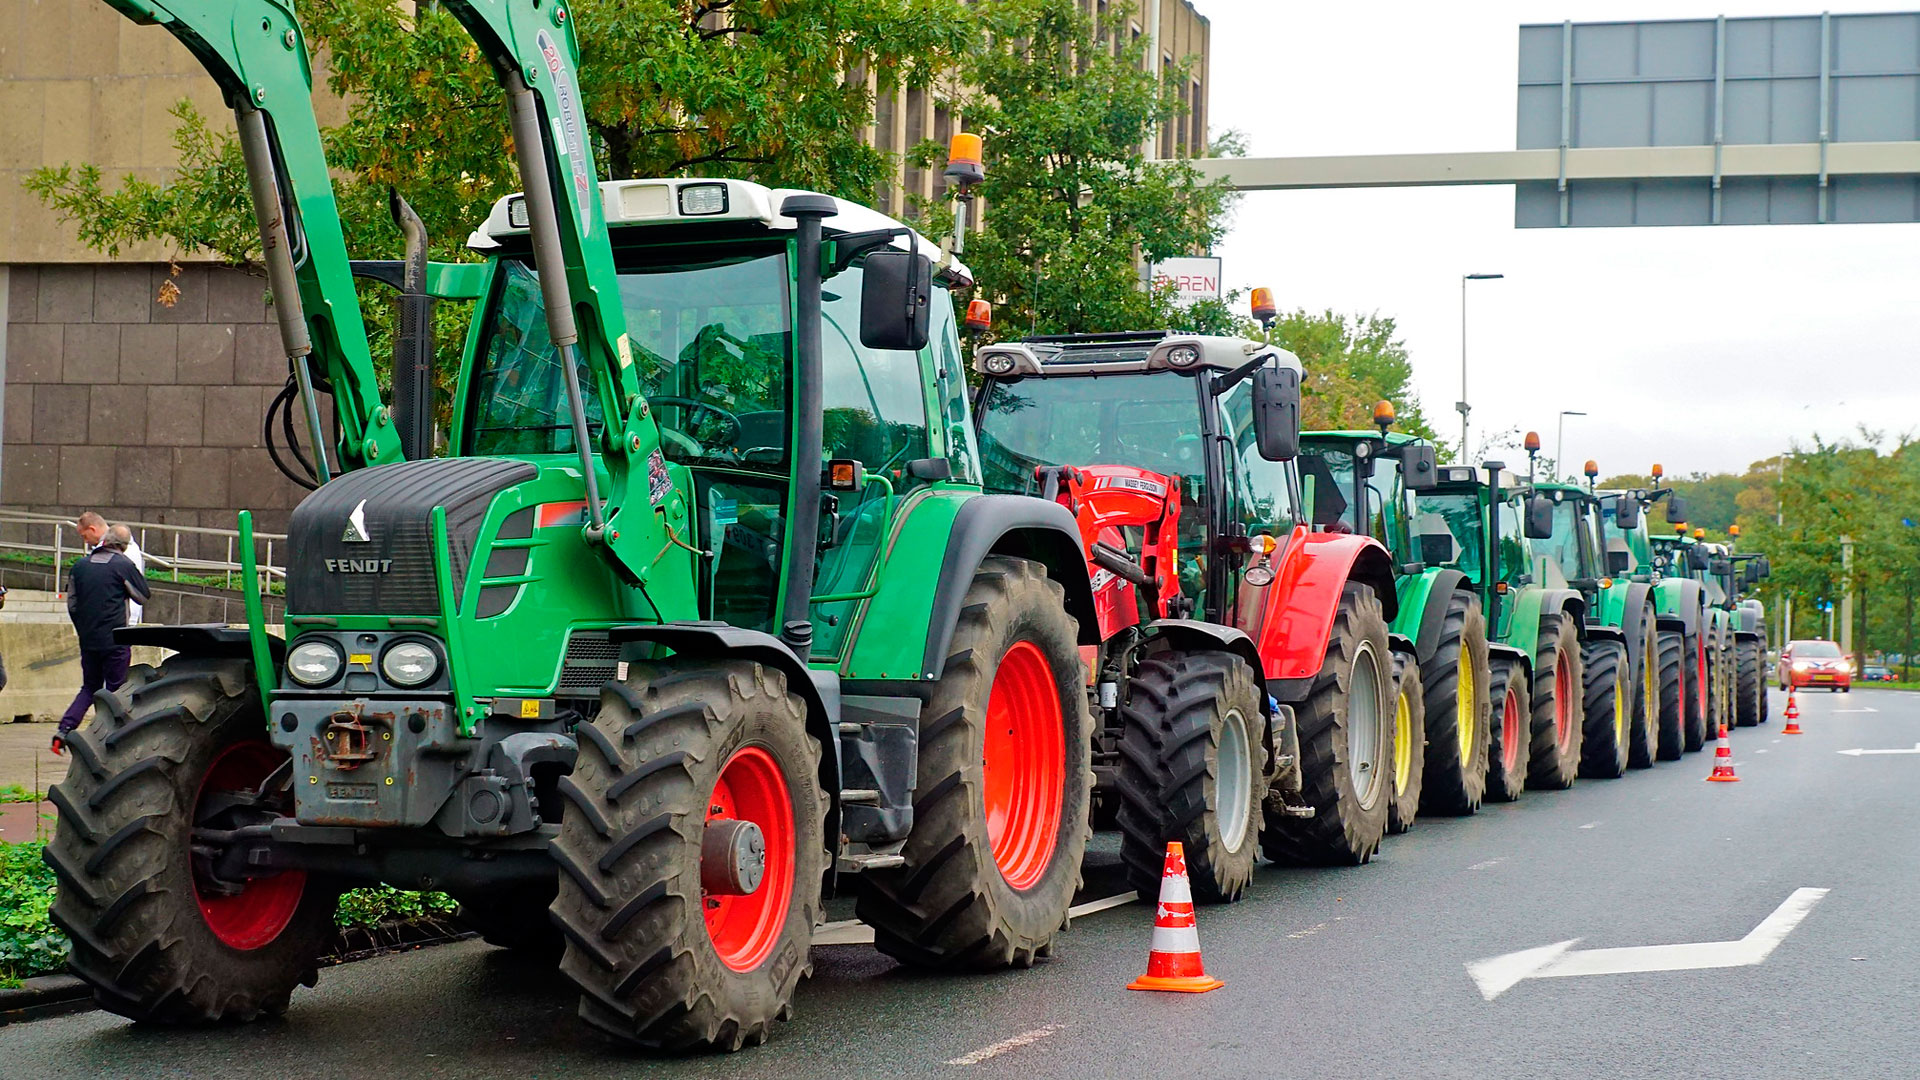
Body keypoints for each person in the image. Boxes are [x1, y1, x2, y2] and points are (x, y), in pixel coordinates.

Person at [54, 528, 150, 754]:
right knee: (116, 691)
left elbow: (72, 604)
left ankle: (64, 730)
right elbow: (142, 595)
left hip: (88, 639)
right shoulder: (123, 565)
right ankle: (109, 739)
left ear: (103, 541)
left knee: (89, 687)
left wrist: (84, 630)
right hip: (115, 638)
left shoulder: (80, 566)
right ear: (124, 546)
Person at [75, 512, 146, 623]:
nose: (85, 541)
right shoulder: (124, 547)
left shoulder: (123, 551)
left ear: (92, 529)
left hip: (117, 616)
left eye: (84, 536)